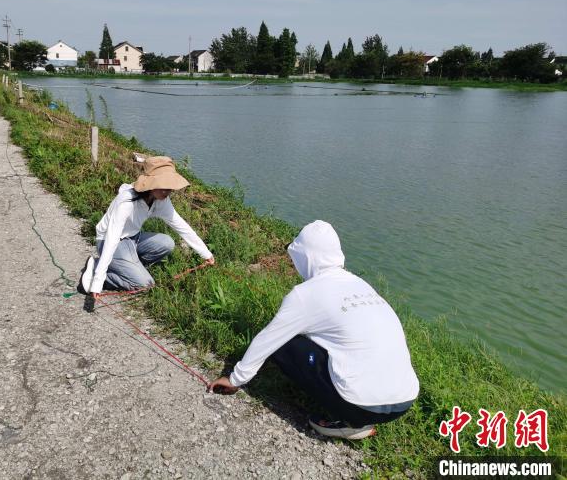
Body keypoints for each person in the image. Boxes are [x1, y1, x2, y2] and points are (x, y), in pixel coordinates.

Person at [209, 220, 419, 440]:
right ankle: (353, 410)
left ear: (306, 257)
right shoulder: (360, 284)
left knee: (284, 344)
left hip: (360, 406)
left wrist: (235, 379)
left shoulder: (305, 293)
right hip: (404, 401)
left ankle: (349, 423)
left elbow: (268, 340)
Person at [79, 156, 214, 297]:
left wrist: (206, 254)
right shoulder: (126, 202)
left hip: (132, 239)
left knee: (167, 242)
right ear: (150, 184)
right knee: (146, 284)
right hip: (110, 241)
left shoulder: (160, 200)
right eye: (163, 186)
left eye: (170, 187)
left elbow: (181, 226)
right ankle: (97, 269)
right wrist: (98, 281)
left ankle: (128, 267)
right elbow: (112, 238)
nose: (167, 191)